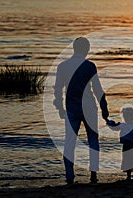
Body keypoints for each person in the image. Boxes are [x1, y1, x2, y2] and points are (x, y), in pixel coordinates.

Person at [53, 37, 109, 184]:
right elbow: (97, 89)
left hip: (72, 108)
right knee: (93, 140)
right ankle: (93, 174)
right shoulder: (90, 66)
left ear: (74, 48)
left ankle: (70, 176)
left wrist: (59, 107)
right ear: (86, 49)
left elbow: (58, 89)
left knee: (69, 142)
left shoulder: (63, 66)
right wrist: (104, 108)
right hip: (89, 107)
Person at [107, 105, 133, 180]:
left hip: (129, 145)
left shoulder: (125, 125)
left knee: (129, 160)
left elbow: (113, 126)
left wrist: (107, 120)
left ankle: (131, 175)